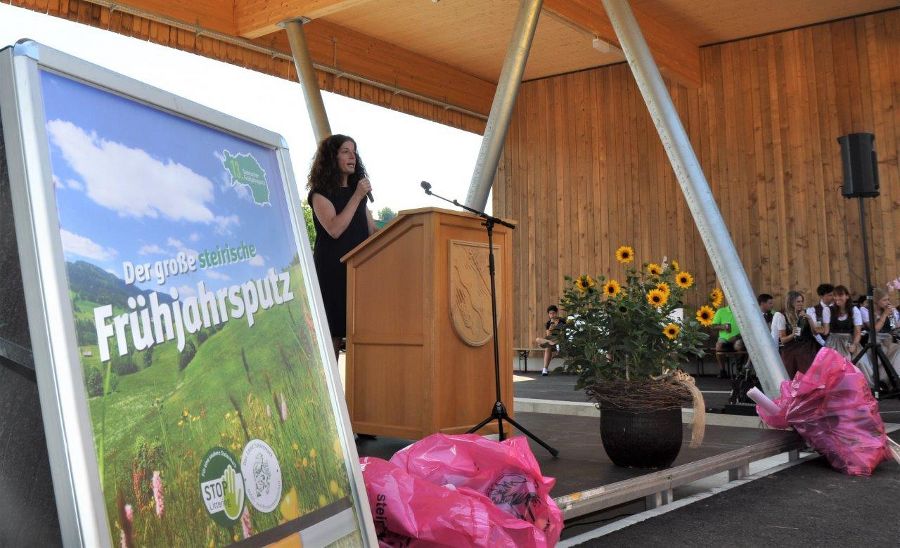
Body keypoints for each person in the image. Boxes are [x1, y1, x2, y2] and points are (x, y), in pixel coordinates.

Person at [307, 135, 378, 359]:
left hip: (358, 271)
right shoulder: (320, 193)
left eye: (354, 151)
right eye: (345, 151)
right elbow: (334, 229)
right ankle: (334, 392)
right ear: (332, 157)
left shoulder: (360, 197)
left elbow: (372, 232)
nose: (352, 156)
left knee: (360, 332)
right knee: (333, 335)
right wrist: (357, 195)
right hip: (332, 271)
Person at [771, 290, 818, 378]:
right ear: (791, 302)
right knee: (793, 377)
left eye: (802, 301)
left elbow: (815, 332)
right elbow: (783, 340)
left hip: (808, 349)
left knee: (809, 376)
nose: (801, 304)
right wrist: (793, 334)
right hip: (792, 350)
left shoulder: (806, 313)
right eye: (798, 301)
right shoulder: (782, 316)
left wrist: (810, 319)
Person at [824, 285, 862, 363]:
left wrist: (854, 344)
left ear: (847, 296)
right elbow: (826, 331)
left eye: (840, 295)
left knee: (859, 362)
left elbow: (858, 332)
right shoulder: (828, 310)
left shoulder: (854, 310)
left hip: (849, 341)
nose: (837, 298)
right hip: (833, 342)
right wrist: (812, 323)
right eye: (835, 296)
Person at [712, 301, 743, 378]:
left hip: (738, 338)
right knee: (718, 346)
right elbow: (713, 326)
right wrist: (723, 327)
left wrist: (736, 337)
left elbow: (748, 328)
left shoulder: (742, 312)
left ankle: (739, 370)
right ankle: (722, 371)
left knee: (738, 345)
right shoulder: (721, 311)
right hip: (724, 338)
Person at [535, 305, 562, 376]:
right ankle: (545, 370)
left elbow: (563, 333)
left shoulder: (562, 321)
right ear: (548, 315)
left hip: (559, 339)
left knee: (547, 348)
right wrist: (552, 324)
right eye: (550, 313)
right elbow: (548, 335)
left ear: (556, 313)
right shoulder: (548, 323)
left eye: (553, 313)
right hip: (551, 340)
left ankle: (545, 369)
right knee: (537, 339)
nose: (552, 315)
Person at [807, 283, 834, 348]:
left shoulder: (837, 308)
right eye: (830, 295)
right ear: (821, 296)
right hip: (821, 345)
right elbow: (815, 332)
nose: (833, 297)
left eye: (833, 295)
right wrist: (824, 344)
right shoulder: (813, 310)